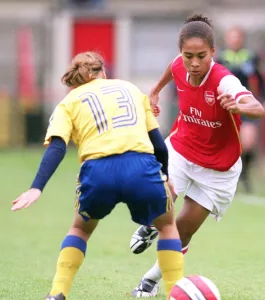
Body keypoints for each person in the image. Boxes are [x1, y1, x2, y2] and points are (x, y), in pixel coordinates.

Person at [11, 51, 184, 300]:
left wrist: (36, 187)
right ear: (104, 72)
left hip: (98, 171)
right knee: (167, 226)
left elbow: (57, 147)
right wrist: (165, 177)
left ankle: (57, 293)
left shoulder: (69, 101)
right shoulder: (130, 88)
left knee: (80, 230)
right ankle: (176, 293)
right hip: (141, 167)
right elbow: (158, 144)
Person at [129, 15, 264, 298]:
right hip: (181, 149)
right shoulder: (180, 65)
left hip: (218, 169)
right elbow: (172, 69)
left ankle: (151, 278)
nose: (194, 62)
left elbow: (256, 106)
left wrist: (241, 107)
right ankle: (151, 223)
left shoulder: (223, 80)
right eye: (188, 55)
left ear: (213, 52)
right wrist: (154, 92)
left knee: (183, 229)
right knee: (158, 200)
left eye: (201, 56)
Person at [217, 26, 265, 193]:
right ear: (227, 39)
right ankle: (226, 176)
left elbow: (261, 79)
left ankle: (245, 174)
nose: (234, 40)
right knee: (226, 143)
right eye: (231, 37)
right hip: (225, 105)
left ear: (241, 39)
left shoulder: (250, 56)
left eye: (237, 37)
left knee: (249, 142)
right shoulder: (220, 58)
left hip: (245, 105)